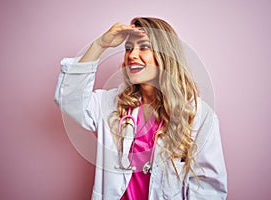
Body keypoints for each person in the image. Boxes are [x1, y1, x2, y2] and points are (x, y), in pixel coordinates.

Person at [54, 17, 227, 200]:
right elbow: (69, 99)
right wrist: (100, 45)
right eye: (128, 48)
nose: (132, 55)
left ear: (166, 55)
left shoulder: (198, 115)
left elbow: (209, 189)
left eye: (144, 47)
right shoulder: (110, 103)